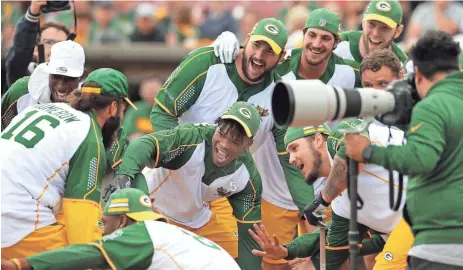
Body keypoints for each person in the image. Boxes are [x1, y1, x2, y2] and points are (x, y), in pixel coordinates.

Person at [213, 8, 362, 270]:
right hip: (275, 192)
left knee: (331, 263)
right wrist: (226, 40)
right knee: (271, 262)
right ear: (302, 36)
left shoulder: (349, 75)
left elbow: (380, 69)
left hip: (325, 191)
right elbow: (245, 66)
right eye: (312, 35)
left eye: (326, 38)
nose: (317, 43)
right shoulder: (276, 69)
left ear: (336, 42)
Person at [344, 31, 463, 270]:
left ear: (417, 73)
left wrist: (368, 152)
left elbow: (422, 159)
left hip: (442, 239)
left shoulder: (433, 105)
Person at [0, 68, 134, 259]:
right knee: (91, 256)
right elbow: (81, 225)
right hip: (13, 223)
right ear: (113, 107)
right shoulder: (90, 136)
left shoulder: (40, 108)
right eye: (123, 109)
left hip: (12, 208)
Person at [112, 102, 263, 270]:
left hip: (197, 217)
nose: (225, 144)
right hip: (157, 210)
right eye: (222, 133)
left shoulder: (247, 177)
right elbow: (144, 145)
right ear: (217, 124)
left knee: (231, 258)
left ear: (248, 144)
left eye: (235, 141)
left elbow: (249, 238)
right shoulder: (191, 138)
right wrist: (125, 175)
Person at [1, 188, 241, 270]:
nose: (103, 230)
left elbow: (88, 253)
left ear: (123, 221)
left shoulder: (144, 232)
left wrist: (23, 264)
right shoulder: (171, 236)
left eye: (106, 223)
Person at [2, 40, 85, 130]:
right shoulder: (21, 91)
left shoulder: (87, 106)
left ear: (82, 76)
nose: (61, 86)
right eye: (56, 76)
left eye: (69, 78)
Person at [5, 0, 71, 88]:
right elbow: (19, 56)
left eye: (61, 43)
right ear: (36, 50)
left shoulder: (76, 83)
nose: (55, 47)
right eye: (49, 42)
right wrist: (32, 16)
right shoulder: (24, 79)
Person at [334, 0, 407, 64]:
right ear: (363, 22)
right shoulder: (338, 43)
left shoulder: (403, 66)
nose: (375, 33)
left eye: (384, 27)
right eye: (371, 24)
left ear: (398, 31)